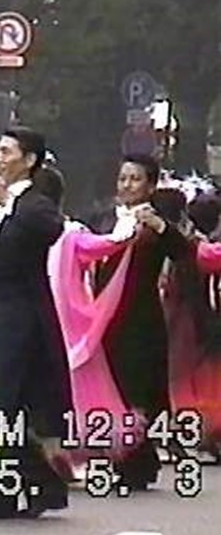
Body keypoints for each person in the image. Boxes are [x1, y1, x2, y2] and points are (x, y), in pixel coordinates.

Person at [0, 127, 72, 519]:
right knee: (7, 406)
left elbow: (51, 228)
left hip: (23, 318)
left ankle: (7, 492)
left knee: (3, 405)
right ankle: (37, 486)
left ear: (28, 161)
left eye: (7, 152)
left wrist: (6, 200)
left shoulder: (33, 201)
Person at [90, 154, 188, 489]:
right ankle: (128, 458)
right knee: (112, 388)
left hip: (140, 319)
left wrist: (159, 226)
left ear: (150, 185)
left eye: (135, 179)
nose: (127, 185)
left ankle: (136, 463)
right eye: (123, 178)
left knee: (138, 390)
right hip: (104, 317)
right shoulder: (106, 220)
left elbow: (183, 252)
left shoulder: (155, 224)